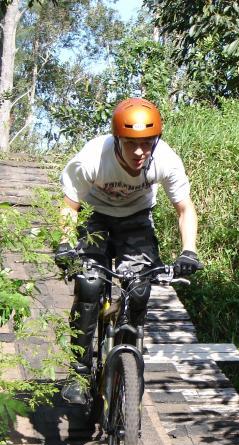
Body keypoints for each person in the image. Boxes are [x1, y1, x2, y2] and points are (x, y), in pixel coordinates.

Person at [54, 97, 202, 404]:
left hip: (136, 221)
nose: (139, 152)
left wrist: (189, 251)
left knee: (138, 289)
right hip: (95, 216)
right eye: (130, 143)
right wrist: (65, 244)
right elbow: (70, 207)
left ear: (156, 141)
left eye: (147, 144)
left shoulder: (166, 160)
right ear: (117, 138)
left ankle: (130, 363)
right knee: (89, 284)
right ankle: (78, 373)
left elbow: (184, 208)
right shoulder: (92, 158)